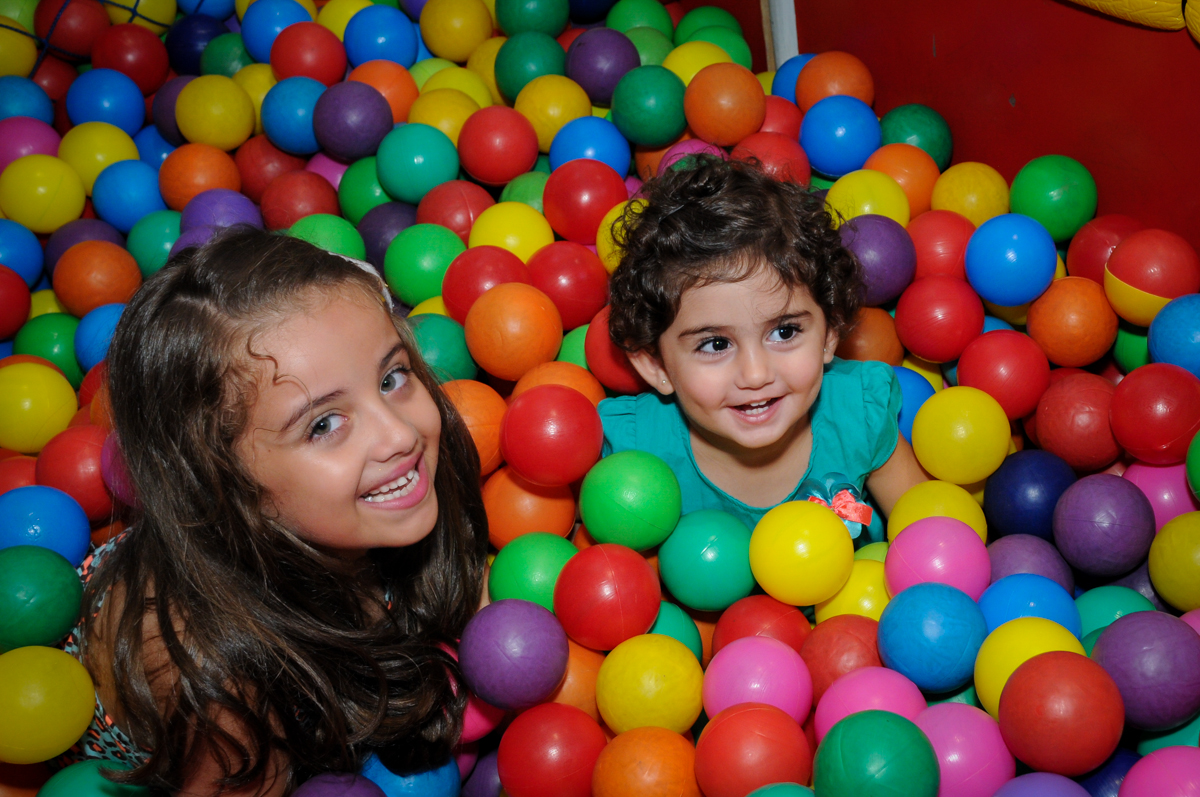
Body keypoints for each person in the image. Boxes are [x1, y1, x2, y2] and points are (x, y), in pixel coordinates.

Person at [57, 228, 489, 796]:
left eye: (391, 378)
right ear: (223, 486)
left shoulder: (394, 496)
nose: (400, 434)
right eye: (323, 425)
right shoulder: (226, 685)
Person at [602, 157, 927, 540]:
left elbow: (929, 536)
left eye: (785, 333)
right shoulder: (636, 454)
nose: (756, 374)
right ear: (655, 364)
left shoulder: (858, 414)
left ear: (829, 334)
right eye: (715, 344)